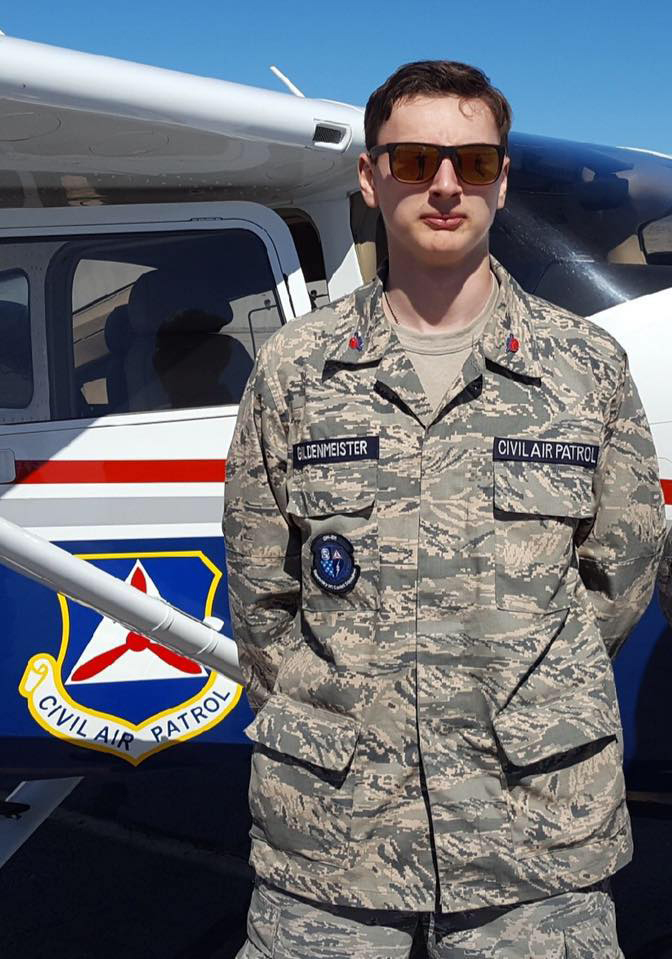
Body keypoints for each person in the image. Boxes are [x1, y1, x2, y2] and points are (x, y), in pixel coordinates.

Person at [223, 60, 665, 958]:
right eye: (417, 159)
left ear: (502, 179)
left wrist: (522, 692)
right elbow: (263, 595)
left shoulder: (585, 366)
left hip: (535, 841)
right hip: (335, 839)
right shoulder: (296, 371)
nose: (446, 184)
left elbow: (619, 571)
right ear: (371, 176)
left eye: (472, 160)